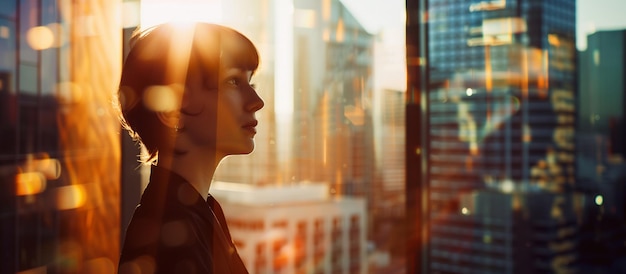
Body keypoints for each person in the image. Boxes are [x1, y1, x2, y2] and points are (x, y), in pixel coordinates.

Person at [116, 22, 263, 274]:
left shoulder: (199, 211)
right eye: (233, 82)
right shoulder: (171, 239)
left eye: (251, 84)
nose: (256, 102)